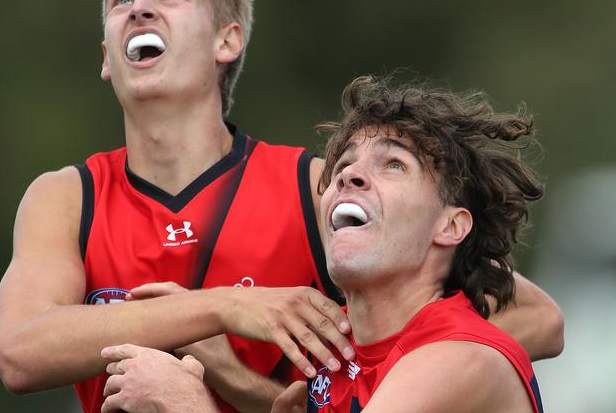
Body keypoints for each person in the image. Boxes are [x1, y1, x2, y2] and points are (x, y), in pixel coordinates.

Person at [0, 0, 562, 413]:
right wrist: (222, 308)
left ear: (227, 40)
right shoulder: (68, 196)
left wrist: (317, 391)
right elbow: (18, 353)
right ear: (106, 56)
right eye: (121, 0)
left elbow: (536, 320)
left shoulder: (317, 186)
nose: (139, 8)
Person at [99, 76, 550, 412]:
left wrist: (187, 403)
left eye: (393, 164)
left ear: (451, 227)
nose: (347, 176)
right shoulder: (337, 353)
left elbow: (549, 322)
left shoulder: (459, 356)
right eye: (345, 164)